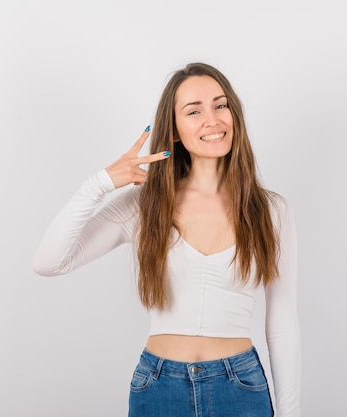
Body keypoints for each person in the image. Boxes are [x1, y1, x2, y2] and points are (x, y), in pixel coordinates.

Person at [33, 62, 300, 417]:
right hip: (160, 387)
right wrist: (100, 184)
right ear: (174, 131)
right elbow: (49, 262)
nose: (212, 119)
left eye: (221, 106)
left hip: (240, 387)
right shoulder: (144, 206)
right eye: (194, 111)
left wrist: (290, 413)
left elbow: (282, 321)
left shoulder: (270, 210)